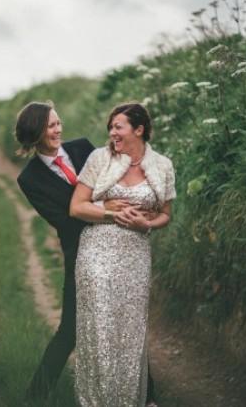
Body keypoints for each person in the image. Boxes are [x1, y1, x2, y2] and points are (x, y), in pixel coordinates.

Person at [14, 101, 157, 404]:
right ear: (36, 131)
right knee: (70, 330)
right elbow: (64, 218)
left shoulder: (83, 149)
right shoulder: (29, 179)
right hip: (81, 254)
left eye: (58, 123)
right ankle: (33, 398)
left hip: (120, 244)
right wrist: (103, 208)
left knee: (126, 322)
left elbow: (117, 180)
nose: (58, 130)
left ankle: (146, 396)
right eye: (50, 126)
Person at [69, 103, 175, 407]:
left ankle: (130, 400)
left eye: (119, 126)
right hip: (96, 253)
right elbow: (76, 207)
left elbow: (166, 214)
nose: (112, 132)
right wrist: (108, 211)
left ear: (138, 130)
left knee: (131, 330)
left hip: (136, 255)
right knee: (99, 328)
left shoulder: (163, 166)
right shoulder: (99, 159)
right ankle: (96, 402)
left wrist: (147, 223)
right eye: (111, 127)